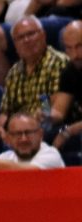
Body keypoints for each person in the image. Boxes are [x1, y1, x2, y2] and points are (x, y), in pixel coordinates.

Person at [0, 16, 68, 123]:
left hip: (46, 125)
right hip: (18, 128)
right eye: (20, 37)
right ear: (15, 45)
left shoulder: (59, 62)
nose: (26, 40)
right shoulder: (13, 72)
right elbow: (5, 112)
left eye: (31, 34)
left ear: (43, 35)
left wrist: (30, 122)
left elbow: (51, 110)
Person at [51, 20, 82, 161]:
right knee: (47, 134)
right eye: (69, 48)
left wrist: (68, 131)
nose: (75, 55)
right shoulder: (70, 70)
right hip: (76, 128)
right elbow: (58, 113)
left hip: (76, 129)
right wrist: (44, 113)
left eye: (79, 46)